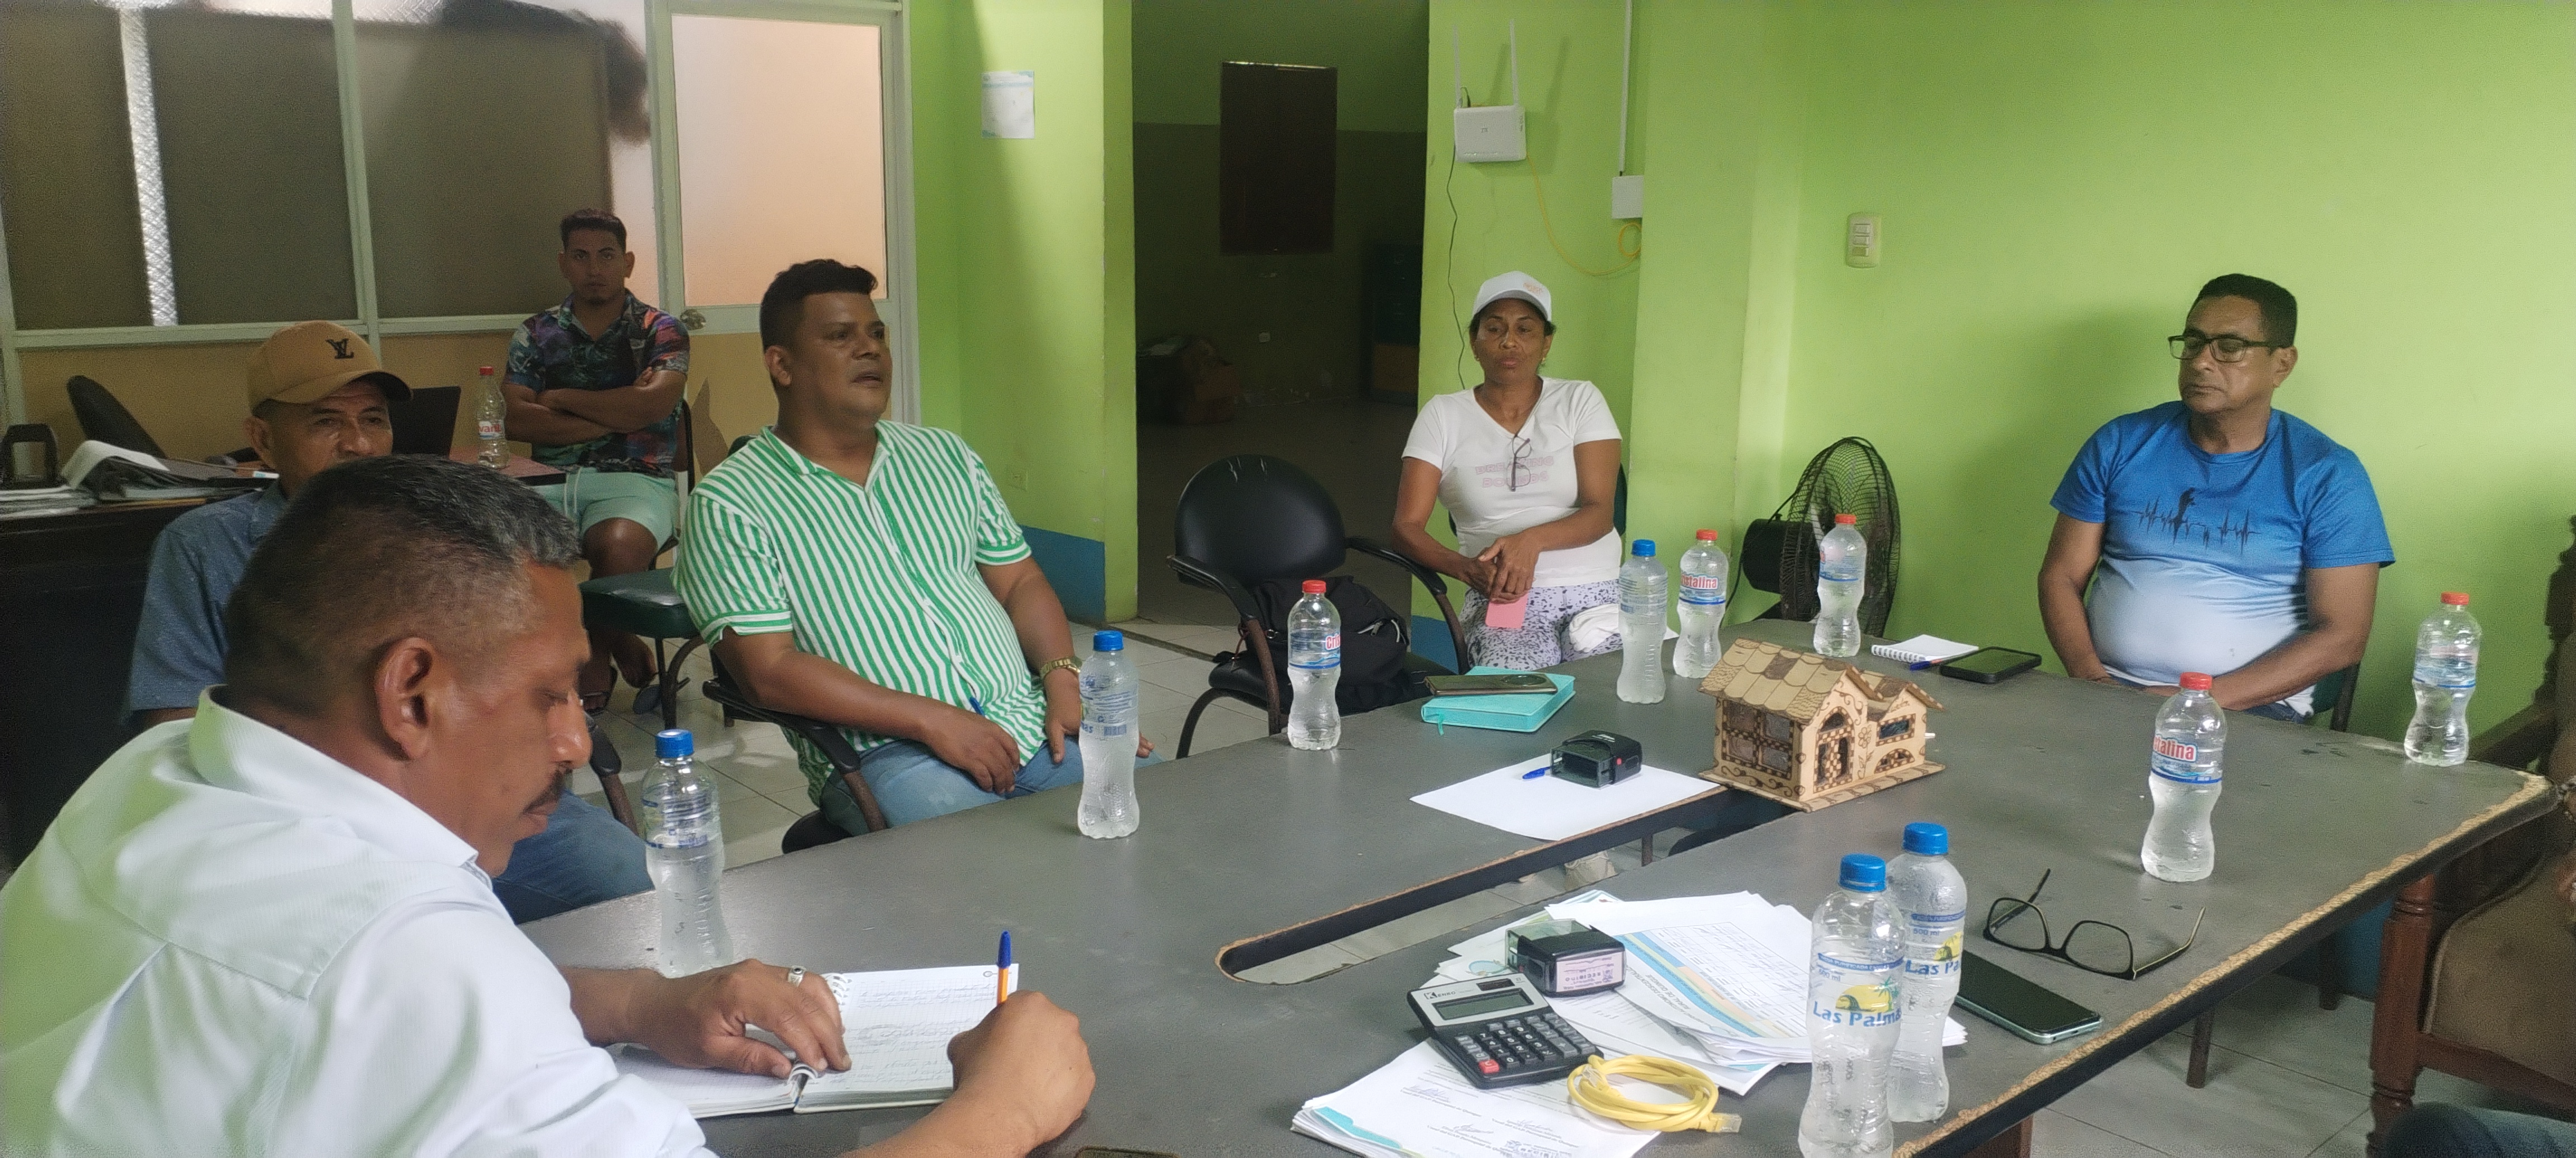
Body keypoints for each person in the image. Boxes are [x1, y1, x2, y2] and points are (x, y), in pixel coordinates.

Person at [1, 455, 1096, 1156]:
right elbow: (398, 990)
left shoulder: (152, 779)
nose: (577, 742)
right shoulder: (403, 956)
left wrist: (636, 1001)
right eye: (551, 695)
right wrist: (999, 1109)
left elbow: (373, 1011)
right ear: (411, 691)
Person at [121, 320, 647, 923]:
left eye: (373, 419)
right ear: (262, 440)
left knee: (635, 886)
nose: (359, 444)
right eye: (326, 422)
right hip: (317, 831)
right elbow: (172, 728)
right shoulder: (205, 546)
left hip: (480, 797)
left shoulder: (435, 534)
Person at [676, 259, 1151, 836]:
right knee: (995, 864)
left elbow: (1020, 582)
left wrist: (1060, 674)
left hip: (1030, 720)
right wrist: (932, 719)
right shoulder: (731, 503)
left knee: (1159, 813)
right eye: (840, 336)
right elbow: (768, 670)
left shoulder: (945, 456)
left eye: (877, 333)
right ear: (782, 365)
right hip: (888, 754)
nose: (870, 349)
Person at [2038, 274, 2392, 720]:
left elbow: (2343, 636)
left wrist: (2198, 700)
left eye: (2229, 346)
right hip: (2108, 691)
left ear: (2282, 364)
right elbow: (2060, 576)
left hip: (2249, 707)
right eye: (2193, 342)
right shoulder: (2121, 443)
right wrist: (2093, 682)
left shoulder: (2327, 474)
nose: (2201, 362)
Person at [504, 207, 692, 710]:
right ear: (564, 263)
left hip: (636, 478)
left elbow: (654, 404)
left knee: (619, 545)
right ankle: (621, 639)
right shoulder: (535, 332)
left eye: (607, 256)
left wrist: (560, 398)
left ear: (627, 262)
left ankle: (591, 663)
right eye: (582, 256)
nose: (595, 269)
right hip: (545, 481)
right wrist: (623, 412)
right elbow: (516, 421)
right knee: (500, 549)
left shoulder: (661, 329)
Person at [1391, 271, 1625, 670]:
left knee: (1615, 688)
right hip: (1505, 600)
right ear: (1474, 342)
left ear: (1546, 343)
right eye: (1494, 329)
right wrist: (1466, 570)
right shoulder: (1443, 415)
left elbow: (1601, 513)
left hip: (1596, 593)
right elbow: (1405, 528)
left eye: (1525, 329)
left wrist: (1529, 542)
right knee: (1516, 688)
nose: (1509, 341)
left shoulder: (1579, 400)